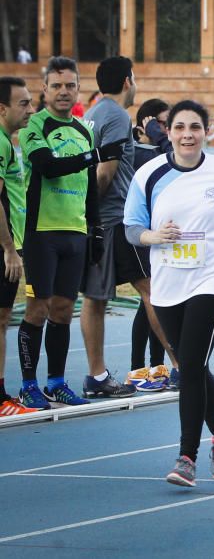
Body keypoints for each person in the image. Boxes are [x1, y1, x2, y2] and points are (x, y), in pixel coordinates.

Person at [124, 100, 214, 487]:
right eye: (180, 127)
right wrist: (153, 237)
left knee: (191, 365)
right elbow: (131, 227)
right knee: (193, 367)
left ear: (206, 131)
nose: (187, 134)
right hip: (167, 284)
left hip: (212, 279)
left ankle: (186, 457)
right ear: (169, 131)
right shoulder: (149, 174)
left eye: (195, 127)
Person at [17, 56, 127, 409]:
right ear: (45, 90)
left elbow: (90, 187)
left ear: (79, 88)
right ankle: (28, 385)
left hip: (75, 234)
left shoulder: (84, 130)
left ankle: (57, 382)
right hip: (41, 234)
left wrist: (94, 231)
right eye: (56, 86)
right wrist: (91, 156)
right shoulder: (36, 124)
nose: (63, 92)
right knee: (37, 309)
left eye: (69, 85)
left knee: (63, 310)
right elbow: (47, 166)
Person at [80, 56, 157, 400]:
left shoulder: (92, 115)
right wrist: (95, 212)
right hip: (116, 220)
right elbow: (105, 173)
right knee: (154, 289)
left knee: (95, 298)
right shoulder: (114, 116)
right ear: (128, 81)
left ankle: (97, 375)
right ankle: (186, 367)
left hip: (97, 222)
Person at [126, 98, 180, 390]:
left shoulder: (160, 153)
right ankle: (139, 368)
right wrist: (159, 137)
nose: (166, 128)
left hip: (162, 235)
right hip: (141, 235)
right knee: (150, 296)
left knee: (151, 301)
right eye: (161, 123)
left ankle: (156, 368)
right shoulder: (141, 154)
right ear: (144, 126)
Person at [0, 77, 37, 416]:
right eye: (23, 103)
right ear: (2, 108)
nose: (30, 108)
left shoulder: (7, 142)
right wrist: (10, 249)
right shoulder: (0, 143)